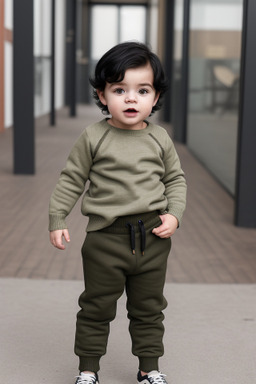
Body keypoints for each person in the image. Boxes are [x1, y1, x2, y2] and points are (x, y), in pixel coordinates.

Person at [49, 41, 187, 384]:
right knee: (96, 308)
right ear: (102, 94)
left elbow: (175, 181)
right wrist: (57, 218)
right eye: (119, 89)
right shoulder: (93, 137)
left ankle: (149, 368)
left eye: (142, 90)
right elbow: (71, 179)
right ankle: (88, 370)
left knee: (149, 309)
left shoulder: (160, 139)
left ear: (155, 98)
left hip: (153, 239)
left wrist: (174, 215)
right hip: (105, 241)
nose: (130, 98)